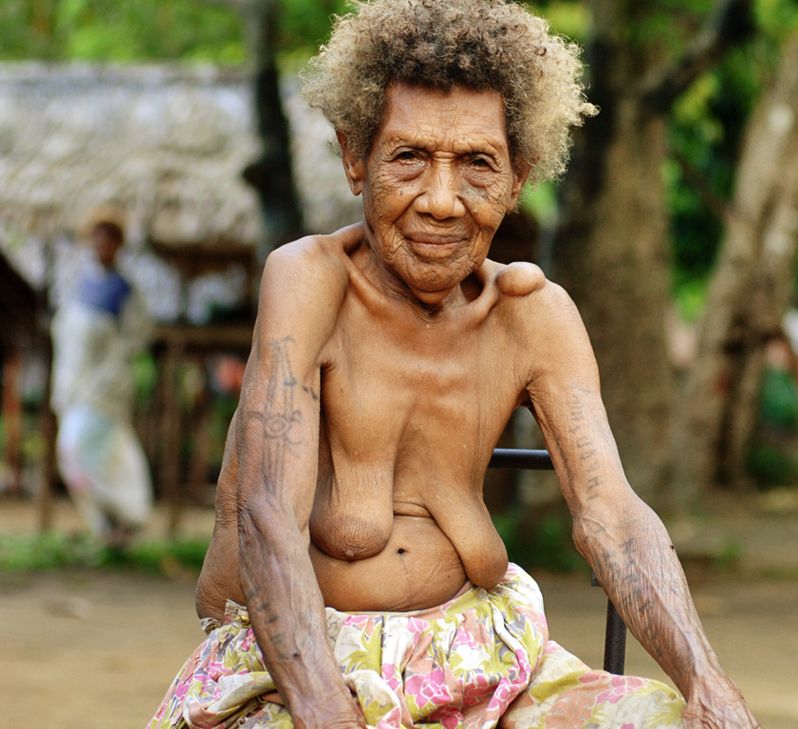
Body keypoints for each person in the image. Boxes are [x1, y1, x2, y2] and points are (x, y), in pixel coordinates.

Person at [149, 1, 760, 727]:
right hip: (297, 664)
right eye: (408, 157)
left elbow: (613, 517)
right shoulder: (308, 278)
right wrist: (322, 707)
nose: (441, 201)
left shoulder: (533, 313)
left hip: (484, 660)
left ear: (518, 177)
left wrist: (708, 681)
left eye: (477, 165)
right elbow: (267, 514)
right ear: (354, 157)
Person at [51, 211, 153, 547]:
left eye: (111, 237)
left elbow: (133, 341)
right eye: (98, 235)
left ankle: (130, 512)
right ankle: (108, 527)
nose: (103, 243)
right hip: (73, 389)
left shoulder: (125, 291)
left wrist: (100, 381)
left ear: (119, 245)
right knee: (78, 454)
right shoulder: (76, 285)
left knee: (84, 447)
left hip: (104, 392)